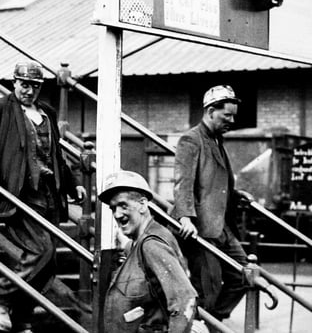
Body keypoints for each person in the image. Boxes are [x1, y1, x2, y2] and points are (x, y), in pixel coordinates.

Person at [0, 61, 85, 333]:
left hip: (49, 194)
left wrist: (73, 184)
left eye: (33, 85)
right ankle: (0, 298)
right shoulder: (0, 108)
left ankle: (21, 318)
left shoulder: (47, 113)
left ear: (39, 87)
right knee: (41, 251)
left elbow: (57, 155)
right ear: (14, 83)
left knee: (48, 263)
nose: (28, 90)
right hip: (19, 194)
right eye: (23, 84)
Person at [173, 85, 253, 320]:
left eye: (233, 115)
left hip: (222, 227)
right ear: (210, 111)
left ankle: (211, 320)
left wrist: (237, 194)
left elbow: (214, 184)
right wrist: (185, 217)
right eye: (226, 115)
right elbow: (183, 182)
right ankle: (202, 322)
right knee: (207, 290)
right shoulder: (191, 140)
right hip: (200, 230)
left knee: (243, 275)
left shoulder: (217, 140)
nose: (232, 120)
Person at [100, 170, 199, 333]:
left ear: (143, 205)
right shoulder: (139, 243)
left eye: (123, 205)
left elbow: (184, 299)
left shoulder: (151, 245)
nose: (117, 214)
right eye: (113, 208)